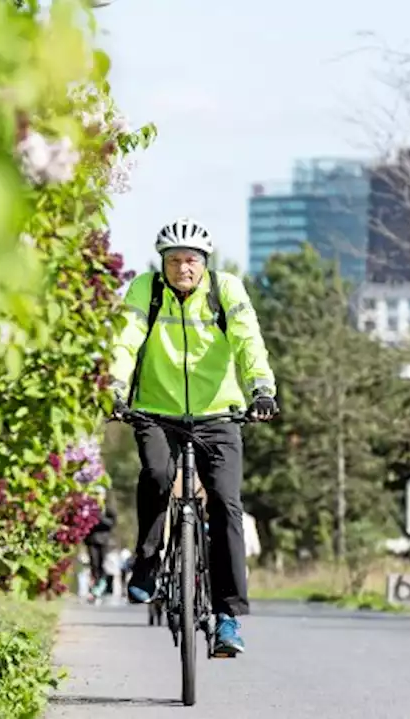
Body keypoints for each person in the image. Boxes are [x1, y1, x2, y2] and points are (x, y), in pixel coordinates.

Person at [108, 217, 279, 657]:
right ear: (162, 263)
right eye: (174, 260)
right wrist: (113, 384)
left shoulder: (227, 291)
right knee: (157, 474)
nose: (183, 267)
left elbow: (248, 341)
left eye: (191, 260)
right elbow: (126, 339)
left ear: (204, 263)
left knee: (225, 502)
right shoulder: (145, 290)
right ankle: (146, 563)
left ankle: (227, 616)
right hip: (156, 410)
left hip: (218, 413)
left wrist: (261, 387)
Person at [82, 487, 119, 601]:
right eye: (95, 493)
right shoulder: (88, 508)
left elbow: (112, 523)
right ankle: (94, 587)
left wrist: (99, 518)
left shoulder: (108, 509)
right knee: (94, 563)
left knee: (102, 564)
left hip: (104, 540)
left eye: (99, 494)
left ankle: (101, 586)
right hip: (91, 540)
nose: (97, 496)